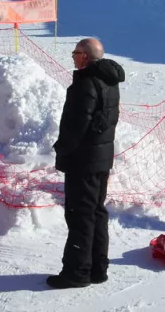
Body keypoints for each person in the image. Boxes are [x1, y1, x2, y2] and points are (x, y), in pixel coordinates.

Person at [47, 37, 125, 290]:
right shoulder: (109, 81)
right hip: (100, 159)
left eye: (75, 52)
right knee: (96, 213)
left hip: (84, 160)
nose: (72, 56)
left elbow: (76, 126)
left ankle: (77, 272)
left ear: (85, 56)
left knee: (81, 215)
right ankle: (97, 269)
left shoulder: (86, 84)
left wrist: (62, 149)